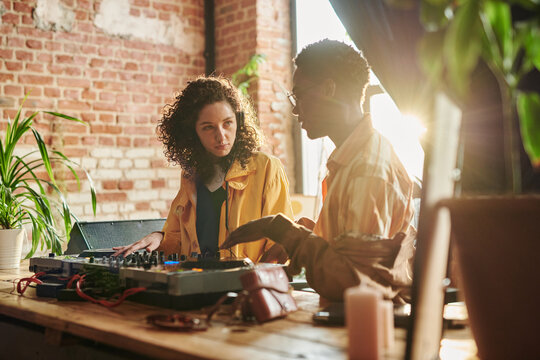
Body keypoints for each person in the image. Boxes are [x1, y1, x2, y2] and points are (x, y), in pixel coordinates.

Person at [220, 39, 416, 302]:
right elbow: (347, 250)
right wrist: (302, 234)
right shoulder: (350, 158)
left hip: (371, 328)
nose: (294, 109)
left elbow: (353, 284)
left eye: (299, 95)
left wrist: (285, 232)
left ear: (328, 89)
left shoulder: (367, 169)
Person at [113, 76, 294, 263]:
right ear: (193, 132)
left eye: (227, 123)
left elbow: (281, 245)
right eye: (208, 127)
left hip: (248, 288)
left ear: (238, 121)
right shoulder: (191, 175)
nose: (221, 136)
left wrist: (250, 282)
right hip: (197, 284)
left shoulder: (266, 167)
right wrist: (158, 237)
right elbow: (176, 237)